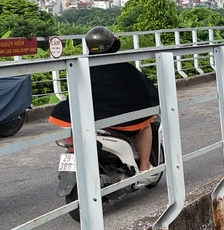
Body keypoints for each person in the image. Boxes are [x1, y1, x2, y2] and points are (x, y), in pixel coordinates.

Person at [48, 26, 159, 172]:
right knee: (145, 125)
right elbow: (143, 91)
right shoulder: (124, 67)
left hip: (88, 118)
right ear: (112, 44)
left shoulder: (81, 67)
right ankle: (144, 166)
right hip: (118, 120)